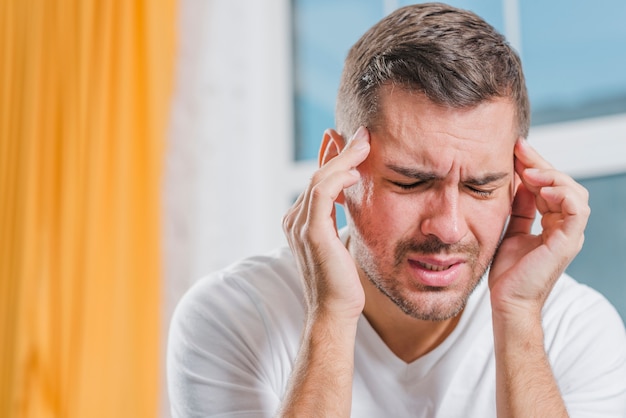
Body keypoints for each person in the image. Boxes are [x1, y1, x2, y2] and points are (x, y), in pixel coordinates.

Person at [167, 3, 626, 417]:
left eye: (480, 187)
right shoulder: (230, 318)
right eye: (411, 182)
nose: (447, 227)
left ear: (518, 183)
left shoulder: (577, 329)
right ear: (336, 168)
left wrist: (520, 317)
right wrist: (330, 315)